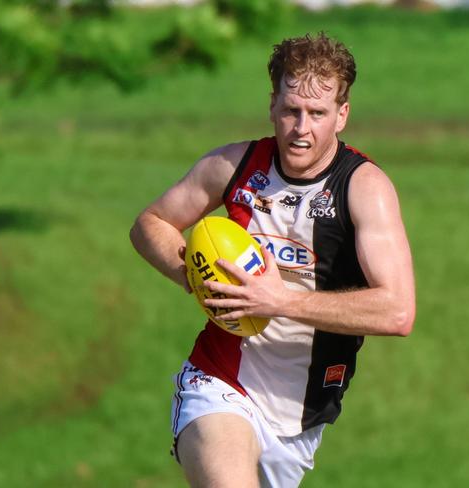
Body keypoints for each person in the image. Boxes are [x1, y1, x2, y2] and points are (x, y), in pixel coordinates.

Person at [130, 32, 415, 488]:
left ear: (342, 115)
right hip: (220, 384)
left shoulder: (364, 189)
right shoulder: (233, 166)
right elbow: (151, 223)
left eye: (317, 114)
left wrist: (278, 301)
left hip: (301, 419)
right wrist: (193, 274)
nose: (302, 129)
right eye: (291, 111)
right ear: (272, 106)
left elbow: (398, 311)